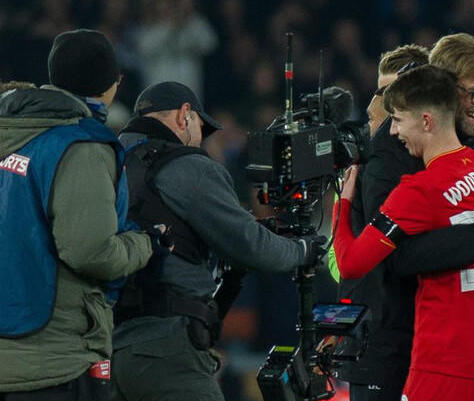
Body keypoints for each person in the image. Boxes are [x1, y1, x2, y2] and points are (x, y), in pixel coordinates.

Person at [326, 43, 474, 401]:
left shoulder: (418, 187)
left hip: (442, 356)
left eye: (397, 120)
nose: (392, 130)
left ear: (426, 118)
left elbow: (355, 261)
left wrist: (341, 203)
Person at [110, 81, 323, 401]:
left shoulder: (106, 163)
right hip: (165, 347)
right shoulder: (186, 166)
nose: (200, 141)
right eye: (200, 128)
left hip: (107, 346)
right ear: (185, 115)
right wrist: (302, 249)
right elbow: (254, 247)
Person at [0, 29, 156, 400]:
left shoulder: (11, 133)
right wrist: (143, 243)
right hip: (48, 360)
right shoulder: (79, 146)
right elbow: (91, 252)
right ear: (113, 83)